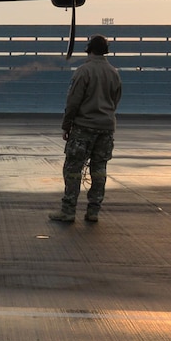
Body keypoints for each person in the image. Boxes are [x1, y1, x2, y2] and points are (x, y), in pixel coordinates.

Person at [52, 34, 123, 224]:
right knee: (99, 169)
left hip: (84, 127)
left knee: (73, 169)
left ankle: (68, 211)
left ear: (88, 49)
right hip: (106, 128)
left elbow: (73, 102)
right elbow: (115, 100)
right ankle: (93, 211)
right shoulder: (114, 72)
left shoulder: (83, 71)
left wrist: (66, 125)